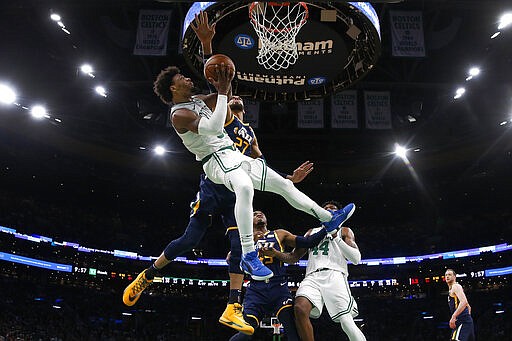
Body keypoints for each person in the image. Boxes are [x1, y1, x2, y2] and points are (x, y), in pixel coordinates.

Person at [122, 12, 317, 336]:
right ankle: (150, 272)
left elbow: (259, 167)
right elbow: (218, 84)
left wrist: (288, 181)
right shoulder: (197, 111)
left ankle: (233, 305)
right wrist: (210, 53)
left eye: (236, 102)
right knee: (190, 239)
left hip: (237, 182)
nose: (237, 101)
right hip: (214, 179)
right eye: (234, 101)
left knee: (240, 246)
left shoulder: (247, 133)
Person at [262, 201, 365, 341]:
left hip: (334, 274)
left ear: (339, 214)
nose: (328, 210)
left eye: (332, 209)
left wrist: (335, 236)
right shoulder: (311, 232)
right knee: (299, 308)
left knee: (346, 322)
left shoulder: (344, 230)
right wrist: (276, 254)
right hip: (311, 276)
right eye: (325, 209)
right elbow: (293, 257)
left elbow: (356, 258)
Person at [229, 210, 335, 341]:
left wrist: (328, 228)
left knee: (293, 331)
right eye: (255, 214)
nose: (259, 214)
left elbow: (307, 242)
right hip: (255, 291)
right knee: (245, 333)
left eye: (262, 213)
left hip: (278, 288)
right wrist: (242, 253)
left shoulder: (279, 234)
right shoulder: (245, 240)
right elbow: (232, 260)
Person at [445, 268, 475, 341]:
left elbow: (464, 302)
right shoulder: (452, 289)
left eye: (449, 274)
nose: (447, 276)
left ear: (454, 277)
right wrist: (467, 316)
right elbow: (468, 306)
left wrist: (454, 316)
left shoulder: (456, 286)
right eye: (446, 275)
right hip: (464, 321)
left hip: (462, 321)